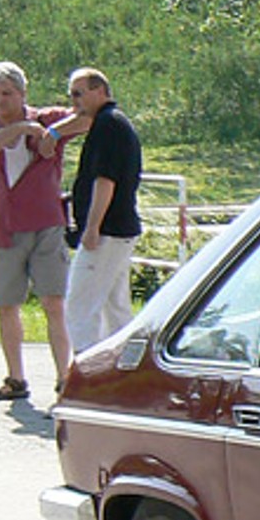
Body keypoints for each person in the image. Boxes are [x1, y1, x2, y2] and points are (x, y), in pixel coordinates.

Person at [0, 62, 80, 400]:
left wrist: (52, 133)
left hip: (47, 225)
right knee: (6, 303)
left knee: (53, 303)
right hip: (6, 228)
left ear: (23, 93)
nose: (0, 101)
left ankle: (65, 377)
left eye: (7, 94)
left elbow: (87, 118)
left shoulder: (49, 119)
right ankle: (16, 379)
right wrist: (21, 130)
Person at [63, 68, 144, 353]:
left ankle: (87, 371)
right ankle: (123, 371)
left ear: (99, 91)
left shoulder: (108, 125)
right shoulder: (111, 122)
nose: (74, 102)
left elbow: (105, 180)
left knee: (80, 304)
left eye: (78, 94)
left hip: (107, 231)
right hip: (119, 229)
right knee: (115, 306)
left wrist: (92, 226)